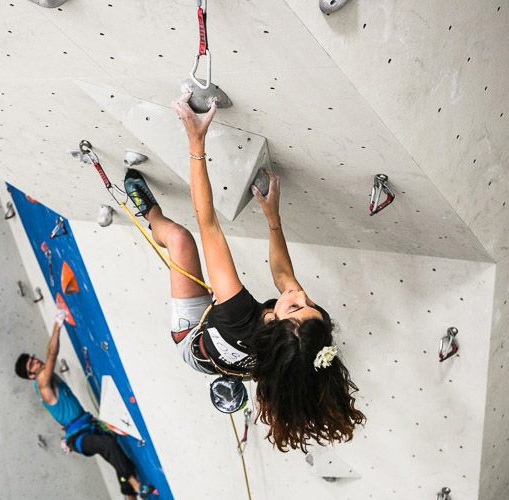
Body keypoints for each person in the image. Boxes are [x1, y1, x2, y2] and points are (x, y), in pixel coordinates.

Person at [120, 91, 364, 452]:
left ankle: (149, 214)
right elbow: (285, 279)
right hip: (238, 347)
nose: (298, 295)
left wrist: (195, 141)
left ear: (275, 325)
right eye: (308, 303)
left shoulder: (239, 315)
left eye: (294, 307)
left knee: (181, 240)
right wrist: (272, 217)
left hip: (194, 338)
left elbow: (208, 223)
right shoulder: (303, 332)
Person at [15, 314, 157, 500]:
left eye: (33, 359)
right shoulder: (43, 385)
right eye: (32, 365)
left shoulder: (47, 381)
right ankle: (137, 485)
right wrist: (57, 324)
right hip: (78, 439)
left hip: (85, 426)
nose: (37, 362)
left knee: (116, 455)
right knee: (108, 446)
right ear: (31, 375)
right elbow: (52, 354)